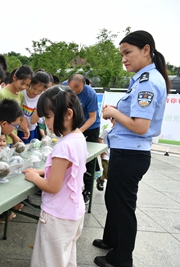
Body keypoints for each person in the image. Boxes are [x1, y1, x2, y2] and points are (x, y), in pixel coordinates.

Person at [93, 30, 169, 267]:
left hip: (131, 154)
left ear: (146, 50)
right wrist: (119, 115)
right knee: (113, 199)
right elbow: (134, 121)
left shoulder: (148, 82)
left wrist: (115, 112)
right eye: (122, 54)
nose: (124, 59)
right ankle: (111, 239)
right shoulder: (141, 79)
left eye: (128, 53)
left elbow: (140, 126)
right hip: (126, 151)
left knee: (123, 207)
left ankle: (121, 259)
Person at [22, 85, 87, 267]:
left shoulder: (63, 146)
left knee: (48, 262)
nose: (46, 122)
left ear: (68, 114)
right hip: (73, 212)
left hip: (57, 216)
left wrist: (35, 178)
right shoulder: (78, 138)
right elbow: (68, 170)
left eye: (48, 117)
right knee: (65, 258)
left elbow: (52, 186)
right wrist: (42, 171)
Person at [65, 73, 101, 204]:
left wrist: (79, 132)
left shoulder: (90, 94)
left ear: (84, 85)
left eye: (78, 91)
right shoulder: (64, 87)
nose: (74, 93)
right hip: (73, 125)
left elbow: (92, 117)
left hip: (89, 128)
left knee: (88, 158)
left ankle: (88, 191)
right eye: (72, 90)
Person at [0, 65, 33, 145]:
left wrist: (24, 125)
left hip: (14, 137)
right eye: (22, 83)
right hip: (3, 140)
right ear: (14, 77)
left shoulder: (20, 95)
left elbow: (19, 116)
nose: (23, 87)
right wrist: (13, 136)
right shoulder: (2, 94)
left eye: (27, 85)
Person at [18, 70, 51, 143]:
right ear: (30, 84)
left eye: (40, 91)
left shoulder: (42, 98)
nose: (36, 92)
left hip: (32, 130)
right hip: (18, 129)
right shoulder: (22, 92)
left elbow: (33, 121)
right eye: (34, 88)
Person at [96, 118, 116, 191]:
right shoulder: (108, 130)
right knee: (107, 172)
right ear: (111, 121)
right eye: (115, 120)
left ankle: (101, 179)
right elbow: (100, 138)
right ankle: (102, 180)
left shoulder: (120, 133)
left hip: (115, 156)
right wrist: (102, 150)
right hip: (106, 155)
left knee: (111, 172)